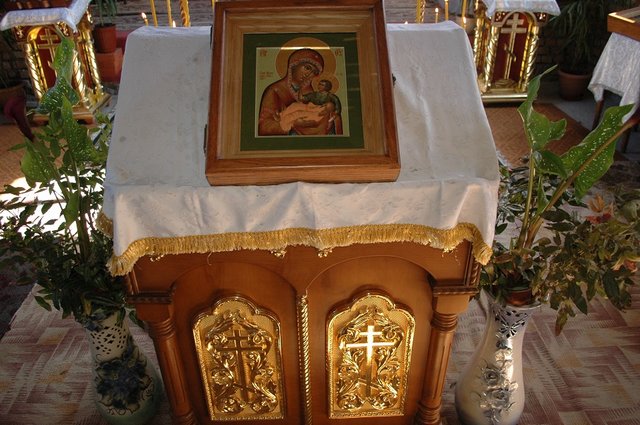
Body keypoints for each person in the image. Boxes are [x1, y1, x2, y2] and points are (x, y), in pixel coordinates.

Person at [258, 48, 337, 136]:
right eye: (307, 68)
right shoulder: (275, 90)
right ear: (294, 64)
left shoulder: (312, 92)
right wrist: (293, 125)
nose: (308, 74)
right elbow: (263, 127)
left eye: (314, 72)